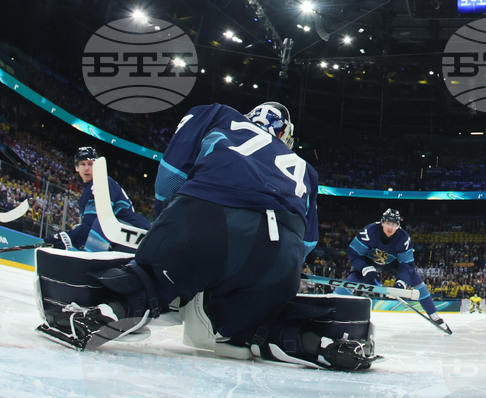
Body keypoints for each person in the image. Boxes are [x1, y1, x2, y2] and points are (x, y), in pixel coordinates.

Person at [35, 102, 376, 369]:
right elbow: (307, 246)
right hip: (279, 255)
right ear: (285, 134)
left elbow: (168, 179)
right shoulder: (306, 168)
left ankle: (110, 311)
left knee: (150, 282)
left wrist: (168, 237)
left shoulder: (217, 114)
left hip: (207, 218)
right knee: (252, 326)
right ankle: (311, 342)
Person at [337, 208, 451, 334]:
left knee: (414, 279)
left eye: (394, 224)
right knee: (354, 279)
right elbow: (354, 253)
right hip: (368, 260)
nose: (390, 227)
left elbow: (407, 265)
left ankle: (434, 314)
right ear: (382, 223)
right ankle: (334, 301)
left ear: (398, 226)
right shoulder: (368, 231)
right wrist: (364, 268)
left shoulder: (404, 239)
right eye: (387, 223)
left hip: (391, 263)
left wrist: (401, 281)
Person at [43, 146, 150, 253]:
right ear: (77, 167)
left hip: (135, 235)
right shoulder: (95, 186)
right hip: (133, 235)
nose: (86, 168)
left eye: (90, 164)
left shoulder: (101, 183)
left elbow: (94, 223)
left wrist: (67, 237)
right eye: (82, 164)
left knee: (97, 231)